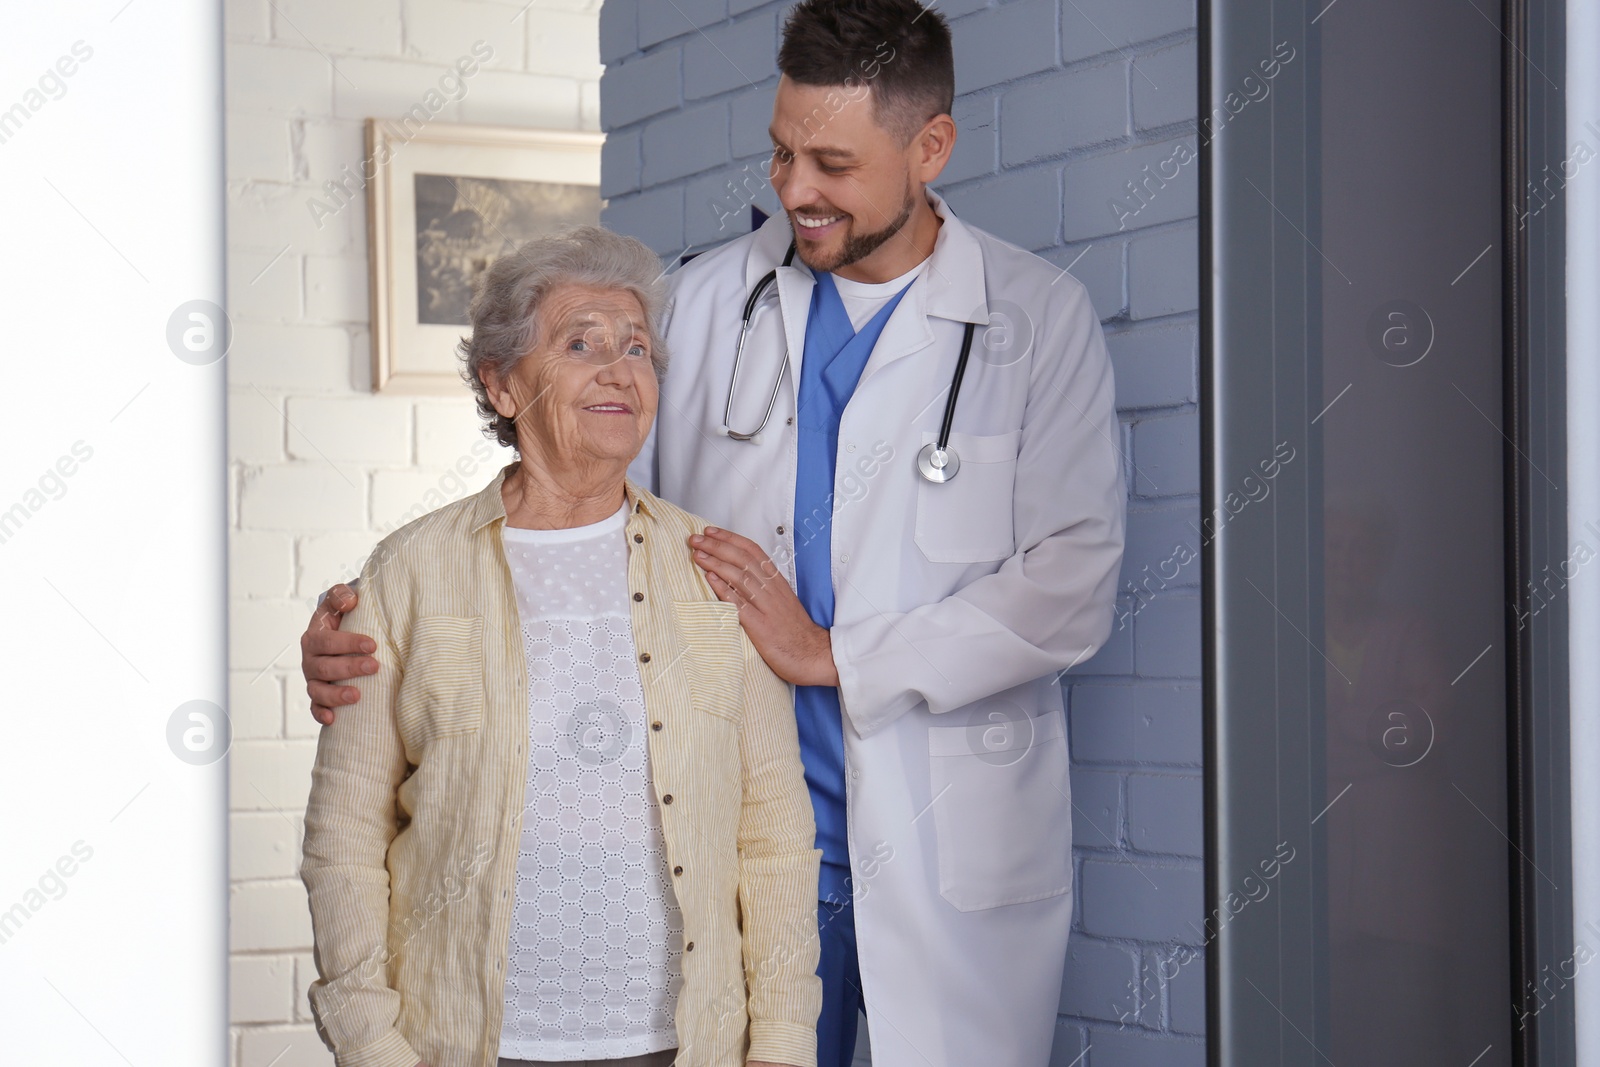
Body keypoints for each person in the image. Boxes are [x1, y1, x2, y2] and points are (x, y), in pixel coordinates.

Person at [302, 3, 1126, 1065]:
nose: (793, 191)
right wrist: (383, 631)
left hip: (942, 840)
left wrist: (834, 652)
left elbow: (1072, 581)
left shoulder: (1034, 319)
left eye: (831, 162)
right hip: (723, 852)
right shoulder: (700, 302)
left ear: (930, 149)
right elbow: (577, 504)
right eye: (781, 152)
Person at [299, 226, 821, 1067]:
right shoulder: (410, 573)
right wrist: (371, 1044)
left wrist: (785, 1043)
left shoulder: (712, 572)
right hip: (465, 1043)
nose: (621, 369)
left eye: (638, 348)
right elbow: (345, 838)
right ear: (502, 385)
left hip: (686, 1045)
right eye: (581, 343)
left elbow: (774, 839)